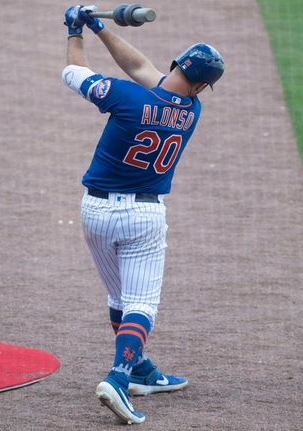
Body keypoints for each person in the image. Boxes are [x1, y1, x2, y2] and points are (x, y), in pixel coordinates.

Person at [61, 4, 225, 425]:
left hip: (94, 211)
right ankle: (117, 378)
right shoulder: (190, 111)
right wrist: (99, 27)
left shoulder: (125, 95)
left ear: (176, 64)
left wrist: (75, 32)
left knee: (119, 298)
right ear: (203, 86)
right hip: (142, 219)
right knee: (141, 304)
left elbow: (74, 72)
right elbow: (141, 68)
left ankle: (140, 370)